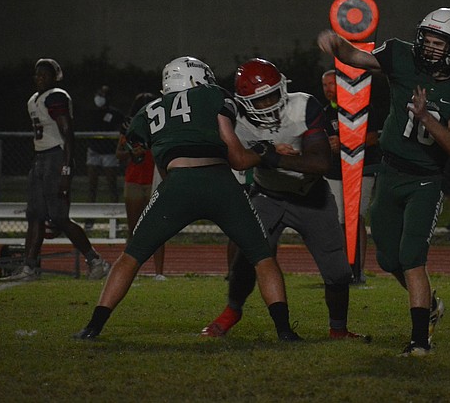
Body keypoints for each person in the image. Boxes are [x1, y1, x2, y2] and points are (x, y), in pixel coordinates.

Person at [74, 56, 300, 342]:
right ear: (196, 78)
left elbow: (145, 153)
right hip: (219, 183)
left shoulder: (149, 110)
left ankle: (93, 327)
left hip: (177, 184)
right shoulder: (213, 95)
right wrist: (266, 152)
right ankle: (284, 331)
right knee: (262, 257)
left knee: (130, 256)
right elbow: (239, 159)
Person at [317, 7, 450, 356]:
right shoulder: (400, 55)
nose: (428, 46)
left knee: (412, 256)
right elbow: (356, 57)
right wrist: (337, 45)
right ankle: (431, 303)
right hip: (390, 172)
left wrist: (425, 116)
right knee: (387, 259)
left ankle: (419, 340)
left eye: (438, 42)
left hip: (425, 180)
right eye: (427, 38)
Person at [201, 59, 367, 342]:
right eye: (259, 98)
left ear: (283, 88)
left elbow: (319, 164)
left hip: (311, 196)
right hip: (267, 195)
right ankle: (232, 313)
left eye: (271, 94)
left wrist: (269, 155)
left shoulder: (303, 106)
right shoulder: (233, 117)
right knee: (246, 258)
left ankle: (338, 329)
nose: (267, 103)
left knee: (338, 272)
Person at [1, 59, 112, 281]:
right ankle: (28, 268)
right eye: (37, 74)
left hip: (56, 157)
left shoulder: (56, 96)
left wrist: (66, 168)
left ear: (54, 77)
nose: (40, 77)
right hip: (40, 158)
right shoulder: (34, 99)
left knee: (59, 217)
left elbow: (68, 133)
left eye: (45, 74)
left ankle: (96, 260)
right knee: (35, 215)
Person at [321, 68, 381, 284]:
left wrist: (345, 143)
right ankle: (341, 268)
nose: (329, 89)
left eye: (332, 84)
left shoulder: (361, 107)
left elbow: (373, 138)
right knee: (336, 221)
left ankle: (358, 269)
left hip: (361, 170)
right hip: (334, 172)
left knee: (355, 218)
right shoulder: (325, 112)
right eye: (325, 85)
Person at [115, 92, 166, 279]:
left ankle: (159, 273)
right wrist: (132, 150)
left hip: (155, 178)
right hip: (135, 180)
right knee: (134, 229)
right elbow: (119, 154)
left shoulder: (161, 122)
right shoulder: (129, 126)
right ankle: (130, 272)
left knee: (158, 228)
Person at [84, 85, 125, 229]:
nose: (99, 97)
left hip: (109, 153)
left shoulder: (115, 114)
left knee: (112, 187)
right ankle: (89, 220)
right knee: (92, 188)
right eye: (98, 93)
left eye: (103, 94)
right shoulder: (91, 112)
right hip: (94, 152)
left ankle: (115, 220)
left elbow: (120, 130)